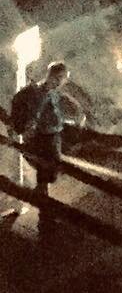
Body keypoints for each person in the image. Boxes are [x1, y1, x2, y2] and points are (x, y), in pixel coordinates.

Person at [27, 62, 70, 199]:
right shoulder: (42, 91)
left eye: (63, 78)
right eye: (59, 77)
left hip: (53, 132)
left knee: (49, 168)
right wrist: (32, 126)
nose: (61, 81)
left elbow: (54, 110)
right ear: (52, 75)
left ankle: (42, 192)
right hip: (45, 134)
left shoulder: (54, 92)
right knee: (47, 166)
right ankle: (42, 195)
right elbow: (36, 111)